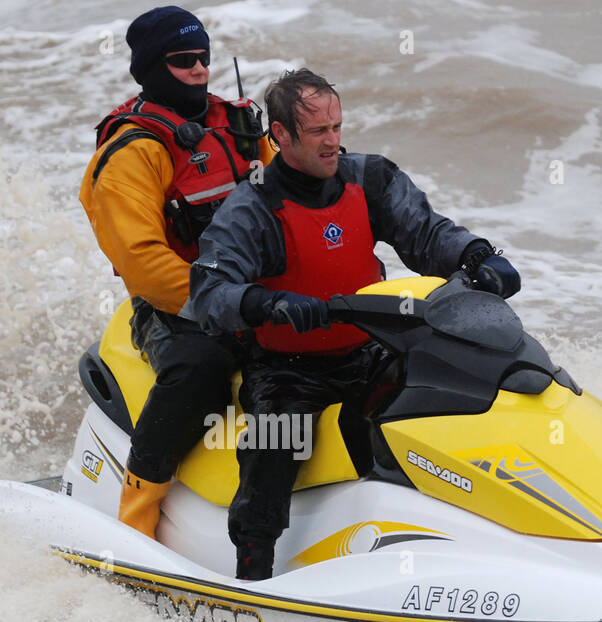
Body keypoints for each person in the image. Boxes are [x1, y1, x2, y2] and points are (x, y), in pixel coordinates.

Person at [184, 68, 521, 580]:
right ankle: (253, 573)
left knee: (456, 397)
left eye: (337, 128)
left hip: (372, 351)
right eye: (319, 132)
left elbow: (426, 233)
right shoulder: (252, 208)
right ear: (281, 135)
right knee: (273, 449)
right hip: (287, 369)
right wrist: (263, 304)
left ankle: (466, 544)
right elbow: (209, 291)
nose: (333, 142)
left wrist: (477, 256)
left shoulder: (369, 178)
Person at [79, 6, 275, 540]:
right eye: (183, 60)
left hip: (257, 293)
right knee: (201, 371)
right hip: (175, 308)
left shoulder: (238, 125)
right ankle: (136, 517)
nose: (199, 70)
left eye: (204, 58)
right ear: (150, 69)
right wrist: (225, 303)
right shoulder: (132, 151)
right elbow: (143, 263)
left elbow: (290, 202)